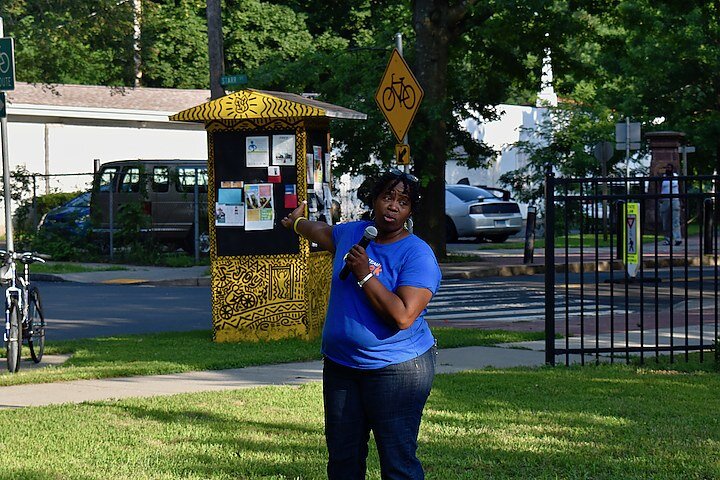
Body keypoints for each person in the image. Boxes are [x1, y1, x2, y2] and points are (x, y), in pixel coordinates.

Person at [281, 168, 441, 479]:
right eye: (387, 197)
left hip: (397, 370)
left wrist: (365, 275)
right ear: (374, 200)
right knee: (343, 460)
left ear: (410, 211)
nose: (393, 206)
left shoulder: (418, 255)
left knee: (398, 463)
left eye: (403, 202)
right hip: (342, 367)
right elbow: (323, 232)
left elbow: (404, 315)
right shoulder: (353, 233)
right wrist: (297, 222)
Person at [659, 163, 682, 246]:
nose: (668, 169)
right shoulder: (663, 177)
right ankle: (667, 239)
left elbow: (681, 188)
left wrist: (681, 200)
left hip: (675, 199)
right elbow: (659, 187)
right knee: (665, 221)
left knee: (675, 220)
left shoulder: (676, 177)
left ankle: (677, 238)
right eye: (667, 167)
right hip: (665, 200)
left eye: (670, 167)